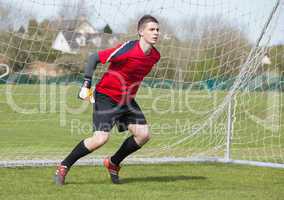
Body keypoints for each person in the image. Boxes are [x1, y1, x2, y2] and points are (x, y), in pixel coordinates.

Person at [54, 14, 160, 185]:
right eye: (152, 29)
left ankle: (113, 163)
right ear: (140, 32)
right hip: (106, 97)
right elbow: (94, 58)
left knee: (143, 134)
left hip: (127, 100)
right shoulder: (127, 49)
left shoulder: (155, 56)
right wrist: (86, 85)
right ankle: (64, 166)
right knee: (100, 139)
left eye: (157, 30)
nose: (156, 33)